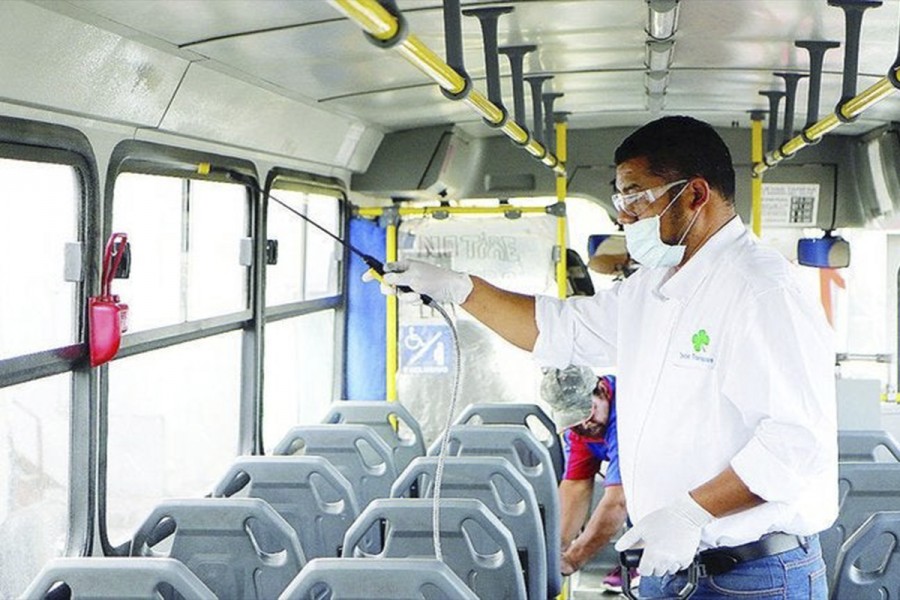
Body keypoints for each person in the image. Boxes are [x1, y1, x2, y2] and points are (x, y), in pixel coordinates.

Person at [372, 116, 838, 598]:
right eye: (620, 201)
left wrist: (689, 512)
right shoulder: (652, 287)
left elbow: (794, 443)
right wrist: (459, 288)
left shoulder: (762, 291)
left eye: (636, 197)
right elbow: (556, 329)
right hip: (670, 560)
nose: (625, 217)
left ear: (695, 194)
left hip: (751, 574)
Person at [540, 366, 637, 593]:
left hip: (686, 476)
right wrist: (553, 554)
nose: (585, 424)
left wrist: (573, 559)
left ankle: (640, 558)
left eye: (589, 411)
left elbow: (619, 500)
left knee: (643, 493)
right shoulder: (579, 431)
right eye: (575, 420)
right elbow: (576, 487)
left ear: (602, 390)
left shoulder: (629, 413)